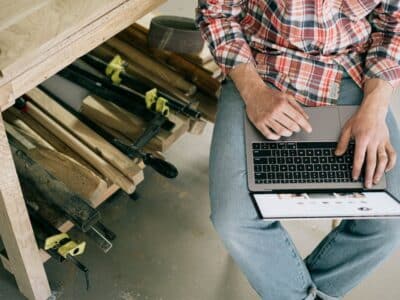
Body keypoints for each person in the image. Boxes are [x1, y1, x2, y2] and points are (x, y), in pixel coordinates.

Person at [196, 1, 400, 299]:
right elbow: (216, 14)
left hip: (351, 71)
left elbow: (393, 24)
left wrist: (375, 107)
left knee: (389, 220)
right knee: (234, 219)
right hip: (260, 69)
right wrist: (254, 92)